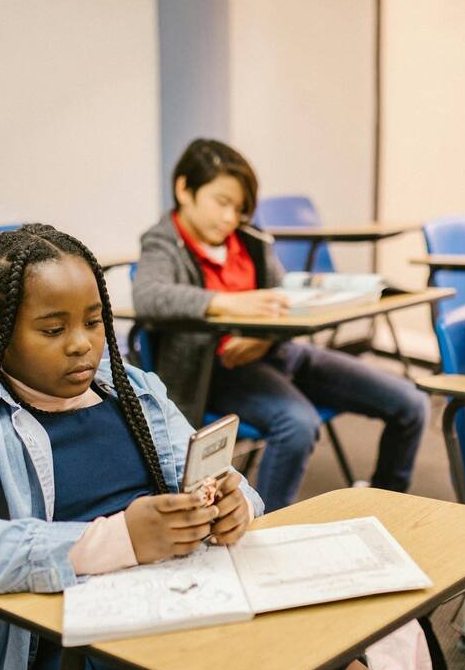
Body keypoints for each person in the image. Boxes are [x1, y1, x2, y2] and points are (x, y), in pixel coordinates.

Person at [0, 224, 409, 670]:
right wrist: (120, 539)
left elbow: (217, 477)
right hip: (78, 645)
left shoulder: (134, 391)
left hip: (188, 598)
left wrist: (234, 505)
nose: (83, 345)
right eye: (52, 329)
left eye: (93, 321)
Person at [133, 139, 430, 511]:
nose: (229, 218)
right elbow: (150, 296)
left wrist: (265, 338)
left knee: (411, 404)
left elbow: (284, 300)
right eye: (221, 202)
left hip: (278, 353)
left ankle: (388, 499)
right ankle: (263, 524)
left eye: (239, 208)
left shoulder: (249, 241)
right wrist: (229, 303)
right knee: (297, 425)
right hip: (219, 370)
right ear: (184, 189)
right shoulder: (163, 243)